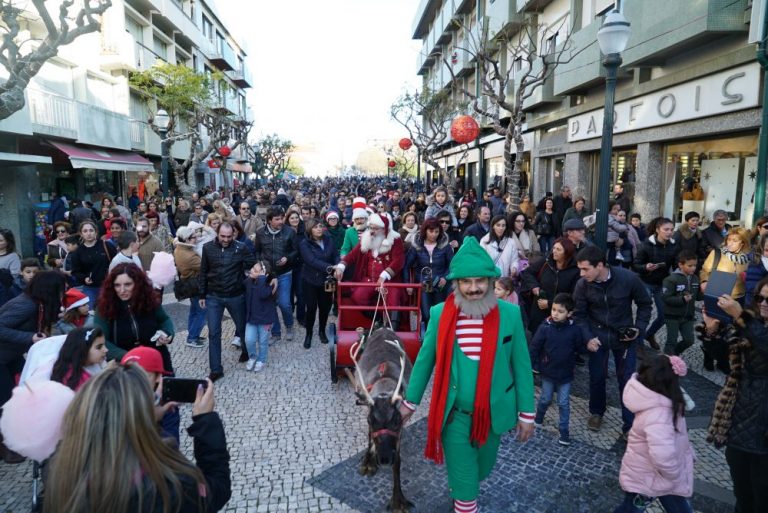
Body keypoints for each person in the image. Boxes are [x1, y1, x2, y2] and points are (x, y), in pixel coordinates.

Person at [399, 237, 535, 513]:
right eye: (466, 282)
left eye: (480, 281)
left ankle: (463, 490)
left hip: (493, 416)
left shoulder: (509, 314)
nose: (473, 288)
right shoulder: (439, 314)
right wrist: (409, 402)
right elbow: (425, 362)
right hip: (454, 416)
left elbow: (521, 366)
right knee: (466, 486)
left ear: (490, 280)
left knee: (480, 471)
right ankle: (464, 498)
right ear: (456, 284)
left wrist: (527, 414)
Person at [44, 363, 231, 513]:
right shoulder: (169, 487)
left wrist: (150, 417)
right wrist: (205, 421)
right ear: (139, 415)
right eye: (153, 397)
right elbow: (216, 490)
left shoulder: (58, 469)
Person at [700, 283, 768, 513]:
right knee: (742, 492)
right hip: (739, 420)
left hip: (764, 427)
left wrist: (739, 316)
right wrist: (712, 330)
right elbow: (725, 359)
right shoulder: (751, 323)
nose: (763, 304)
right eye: (760, 298)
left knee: (762, 497)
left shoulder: (748, 324)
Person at [573, 245, 653, 436]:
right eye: (580, 269)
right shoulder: (582, 285)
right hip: (597, 337)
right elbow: (579, 315)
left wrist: (639, 329)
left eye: (585, 269)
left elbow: (645, 304)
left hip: (624, 337)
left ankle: (629, 425)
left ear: (600, 265)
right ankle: (596, 412)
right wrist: (588, 338)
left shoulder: (628, 278)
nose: (582, 273)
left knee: (627, 380)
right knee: (597, 376)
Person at [613, 353, 695, 513]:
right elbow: (662, 455)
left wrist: (687, 453)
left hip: (651, 475)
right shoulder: (660, 415)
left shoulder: (655, 403)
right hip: (653, 476)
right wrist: (675, 473)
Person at [0, 270, 67, 464]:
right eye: (61, 289)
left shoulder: (37, 304)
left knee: (21, 393)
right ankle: (5, 446)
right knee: (5, 401)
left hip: (9, 356)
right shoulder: (27, 305)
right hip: (3, 357)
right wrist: (29, 337)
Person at [530, 293, 591, 446]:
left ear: (569, 314)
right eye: (554, 310)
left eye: (560, 311)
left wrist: (589, 347)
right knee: (545, 398)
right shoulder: (545, 328)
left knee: (563, 403)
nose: (555, 314)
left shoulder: (574, 330)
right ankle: (538, 418)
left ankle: (564, 431)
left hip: (566, 373)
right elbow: (535, 347)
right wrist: (534, 365)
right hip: (548, 372)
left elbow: (579, 348)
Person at [198, 223, 255, 380]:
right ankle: (216, 370)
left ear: (234, 234)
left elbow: (254, 263)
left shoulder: (241, 247)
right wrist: (202, 294)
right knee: (214, 333)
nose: (226, 239)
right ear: (217, 233)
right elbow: (203, 272)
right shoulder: (208, 248)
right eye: (223, 236)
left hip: (235, 295)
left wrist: (266, 275)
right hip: (213, 296)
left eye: (229, 236)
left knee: (242, 327)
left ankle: (246, 350)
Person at [334, 212, 407, 327]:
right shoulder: (367, 238)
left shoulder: (395, 240)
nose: (372, 231)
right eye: (370, 227)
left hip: (389, 282)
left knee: (394, 301)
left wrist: (384, 275)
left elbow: (399, 261)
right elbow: (353, 254)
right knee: (357, 297)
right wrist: (342, 265)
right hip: (370, 280)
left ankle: (391, 328)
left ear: (384, 229)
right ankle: (378, 319)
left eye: (376, 228)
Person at [633, 217, 680, 350]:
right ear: (658, 230)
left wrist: (679, 271)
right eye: (666, 229)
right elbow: (636, 265)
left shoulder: (673, 245)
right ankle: (638, 344)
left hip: (662, 283)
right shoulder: (646, 244)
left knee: (664, 315)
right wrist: (645, 267)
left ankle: (649, 334)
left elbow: (677, 264)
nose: (669, 232)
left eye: (671, 229)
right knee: (645, 313)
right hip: (645, 282)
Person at [253, 208, 298, 342]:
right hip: (267, 274)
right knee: (270, 304)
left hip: (284, 273)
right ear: (269, 221)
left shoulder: (289, 231)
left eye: (282, 218)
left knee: (284, 303)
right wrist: (259, 264)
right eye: (277, 219)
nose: (281, 221)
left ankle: (289, 325)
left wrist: (287, 258)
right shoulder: (260, 233)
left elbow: (296, 250)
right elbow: (256, 252)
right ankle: (276, 332)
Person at [521, 238, 580, 333]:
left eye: (558, 249)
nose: (554, 251)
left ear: (567, 253)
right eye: (554, 248)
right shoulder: (546, 261)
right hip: (539, 309)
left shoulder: (575, 271)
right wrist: (534, 286)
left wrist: (550, 304)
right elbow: (528, 273)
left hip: (560, 314)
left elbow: (573, 296)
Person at [404, 218, 454, 327]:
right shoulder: (417, 246)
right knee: (427, 314)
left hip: (440, 282)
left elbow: (452, 265)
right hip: (424, 283)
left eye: (436, 232)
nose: (434, 235)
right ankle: (428, 337)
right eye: (431, 231)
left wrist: (445, 277)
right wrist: (408, 284)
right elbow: (406, 265)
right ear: (425, 231)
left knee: (439, 314)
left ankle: (438, 339)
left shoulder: (445, 246)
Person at [299, 219, 338, 348]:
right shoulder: (305, 243)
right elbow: (311, 261)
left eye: (320, 226)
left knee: (325, 307)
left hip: (327, 281)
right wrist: (330, 267)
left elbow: (335, 255)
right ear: (310, 229)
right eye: (315, 227)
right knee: (311, 308)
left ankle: (322, 331)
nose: (319, 229)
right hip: (310, 280)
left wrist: (338, 265)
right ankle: (309, 333)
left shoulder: (328, 240)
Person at [661, 250, 702, 356]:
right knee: (672, 342)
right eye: (690, 265)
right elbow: (666, 298)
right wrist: (682, 300)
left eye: (695, 265)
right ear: (680, 265)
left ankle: (674, 355)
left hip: (688, 317)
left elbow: (697, 297)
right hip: (672, 316)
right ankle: (668, 361)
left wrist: (704, 291)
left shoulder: (695, 278)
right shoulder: (671, 279)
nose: (693, 268)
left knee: (689, 340)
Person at [70, 220, 117, 307]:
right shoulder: (78, 252)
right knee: (91, 313)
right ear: (81, 234)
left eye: (91, 230)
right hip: (90, 288)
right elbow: (75, 271)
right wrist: (84, 278)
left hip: (108, 285)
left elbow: (117, 262)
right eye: (85, 231)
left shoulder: (106, 245)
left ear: (96, 232)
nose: (89, 233)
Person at [174, 226, 207, 348]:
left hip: (190, 284)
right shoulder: (189, 256)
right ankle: (192, 337)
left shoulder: (179, 248)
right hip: (196, 285)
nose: (196, 238)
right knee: (201, 312)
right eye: (194, 237)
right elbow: (205, 265)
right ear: (187, 239)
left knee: (194, 311)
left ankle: (193, 335)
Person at [243, 261, 277, 371]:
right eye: (252, 267)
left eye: (255, 270)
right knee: (249, 340)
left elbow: (263, 294)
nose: (251, 270)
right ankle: (253, 357)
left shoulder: (270, 284)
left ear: (264, 275)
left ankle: (261, 360)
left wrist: (262, 279)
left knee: (263, 342)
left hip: (265, 320)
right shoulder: (249, 281)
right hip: (251, 318)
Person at [50, 327, 108, 391]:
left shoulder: (98, 364)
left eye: (104, 345)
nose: (106, 350)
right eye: (99, 347)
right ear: (83, 350)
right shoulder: (73, 378)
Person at [745, 235, 768, 306]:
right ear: (761, 249)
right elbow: (751, 289)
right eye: (767, 250)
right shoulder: (755, 265)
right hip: (756, 307)